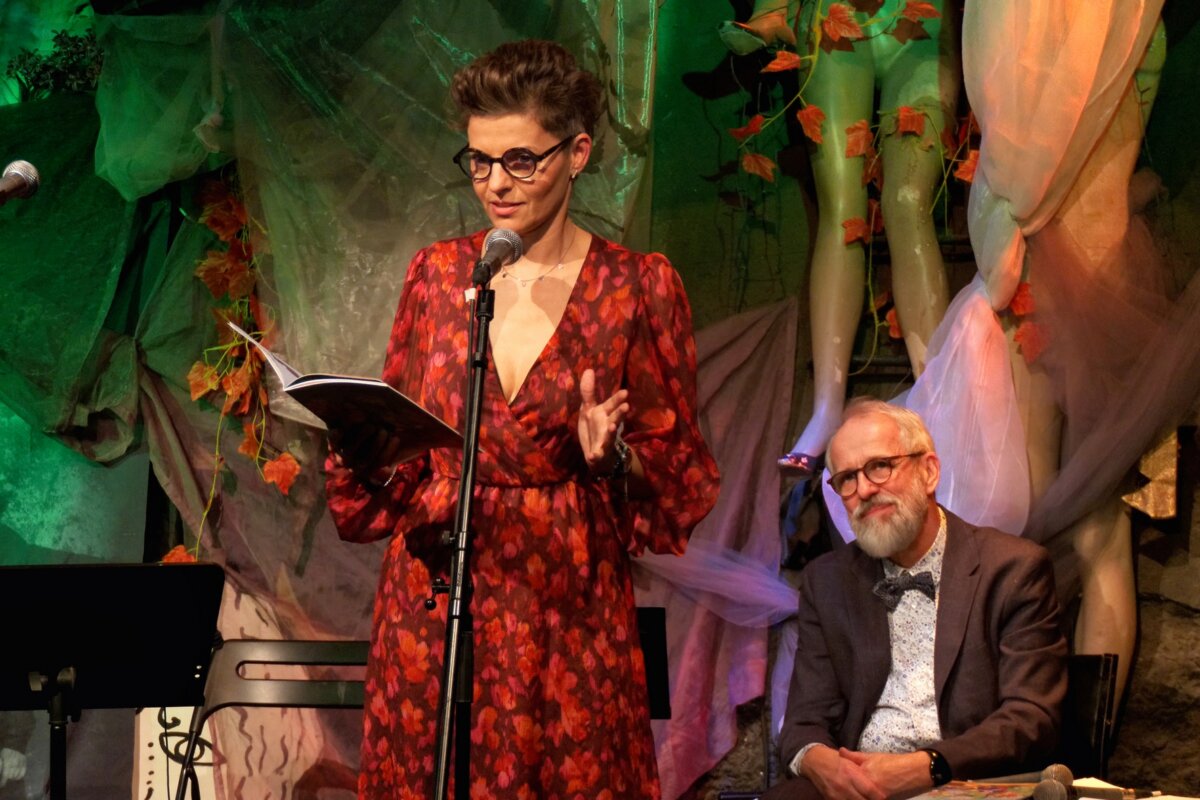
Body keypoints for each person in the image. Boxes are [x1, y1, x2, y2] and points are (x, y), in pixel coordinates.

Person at [323, 39, 720, 799]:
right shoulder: (439, 275)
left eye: (520, 161)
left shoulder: (637, 287)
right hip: (437, 592)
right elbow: (404, 449)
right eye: (478, 161)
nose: (496, 184)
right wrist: (363, 445)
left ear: (577, 154)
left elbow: (680, 475)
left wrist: (612, 458)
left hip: (564, 600)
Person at [767, 399, 1066, 800]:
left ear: (929, 472)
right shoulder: (828, 581)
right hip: (858, 787)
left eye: (880, 466)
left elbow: (1030, 718)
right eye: (847, 479)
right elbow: (804, 721)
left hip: (965, 782)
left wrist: (927, 767)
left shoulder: (1012, 569)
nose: (865, 490)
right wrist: (819, 761)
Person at [775, 0, 960, 475]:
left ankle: (935, 397)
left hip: (923, 28)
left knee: (907, 202)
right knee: (841, 209)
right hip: (834, 22)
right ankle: (825, 408)